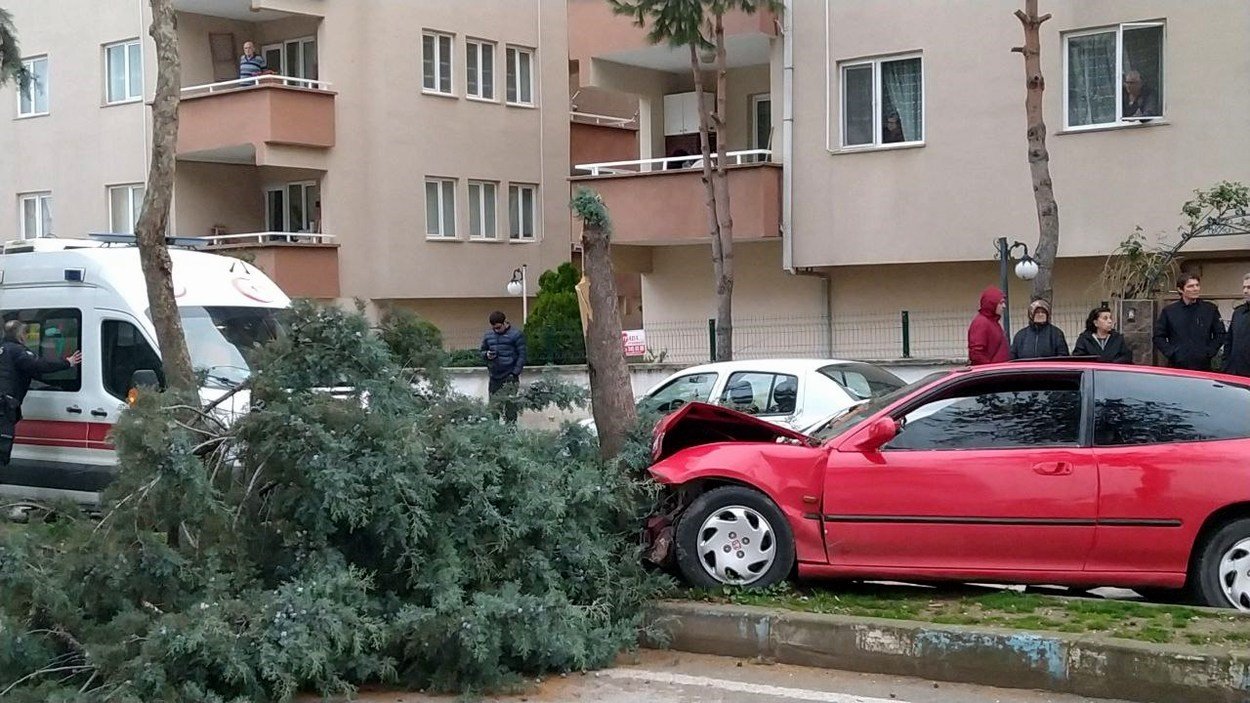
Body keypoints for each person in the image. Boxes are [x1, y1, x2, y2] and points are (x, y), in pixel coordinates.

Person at [0, 320, 83, 465]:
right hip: (4, 407)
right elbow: (39, 365)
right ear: (20, 335)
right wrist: (67, 363)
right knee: (2, 450)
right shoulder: (17, 351)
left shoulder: (3, 349)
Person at [1153, 273, 1225, 371]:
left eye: (1197, 285)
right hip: (1177, 366)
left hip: (1203, 366)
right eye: (1190, 286)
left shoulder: (1210, 309)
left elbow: (1220, 334)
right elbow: (1158, 336)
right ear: (1180, 289)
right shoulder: (1169, 311)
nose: (1195, 289)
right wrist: (1172, 353)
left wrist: (1209, 352)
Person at [479, 311, 526, 422]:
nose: (497, 330)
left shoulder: (516, 335)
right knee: (494, 408)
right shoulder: (488, 335)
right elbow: (481, 351)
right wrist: (487, 355)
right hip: (494, 376)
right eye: (494, 328)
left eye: (499, 327)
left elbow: (522, 355)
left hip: (510, 376)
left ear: (505, 323)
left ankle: (510, 432)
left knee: (510, 408)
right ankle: (494, 432)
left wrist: (515, 373)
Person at [967, 286, 1009, 365]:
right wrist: (989, 369)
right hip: (992, 373)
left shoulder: (993, 322)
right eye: (1001, 303)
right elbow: (976, 353)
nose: (1004, 306)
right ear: (991, 303)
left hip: (997, 372)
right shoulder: (981, 323)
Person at [1222, 273, 1250, 376]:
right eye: (1244, 287)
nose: (1245, 291)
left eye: (1249, 287)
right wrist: (1226, 366)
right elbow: (1229, 341)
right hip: (1236, 373)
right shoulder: (1238, 313)